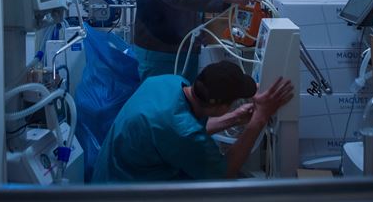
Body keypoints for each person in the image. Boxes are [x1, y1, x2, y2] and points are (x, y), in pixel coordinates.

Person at [91, 61, 294, 183]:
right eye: (233, 103)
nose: (234, 106)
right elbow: (225, 173)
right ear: (220, 105)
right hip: (123, 190)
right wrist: (259, 118)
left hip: (110, 172)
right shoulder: (182, 131)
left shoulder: (168, 82)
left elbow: (176, 131)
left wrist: (233, 118)